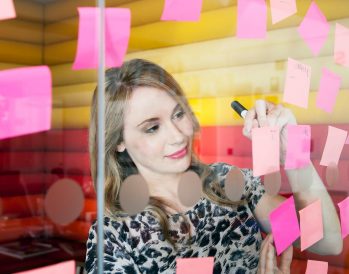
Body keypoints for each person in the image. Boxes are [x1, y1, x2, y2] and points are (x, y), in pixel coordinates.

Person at [85, 59, 342, 274]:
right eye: (153, 128)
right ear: (118, 140)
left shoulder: (227, 182)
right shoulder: (114, 235)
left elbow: (325, 240)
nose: (177, 135)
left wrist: (293, 153)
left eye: (178, 114)